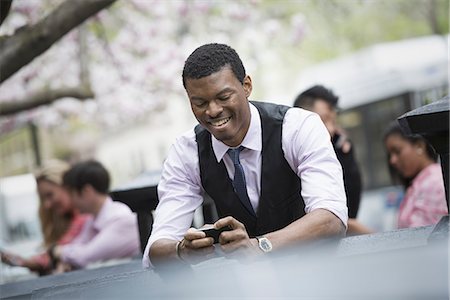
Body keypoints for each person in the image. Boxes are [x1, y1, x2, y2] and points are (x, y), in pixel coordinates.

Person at [143, 43, 348, 268]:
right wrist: (181, 251)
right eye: (199, 103)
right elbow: (157, 248)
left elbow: (331, 218)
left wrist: (260, 246)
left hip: (319, 272)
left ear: (247, 86)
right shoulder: (187, 150)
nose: (212, 111)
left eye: (223, 97)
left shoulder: (297, 127)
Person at [293, 85, 372, 235]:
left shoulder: (339, 149)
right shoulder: (289, 159)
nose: (330, 129)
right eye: (323, 120)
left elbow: (350, 211)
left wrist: (345, 157)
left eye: (333, 122)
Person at [0, 160, 88, 275]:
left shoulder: (87, 217)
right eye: (43, 198)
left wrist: (23, 261)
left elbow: (60, 251)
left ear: (67, 186)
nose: (47, 204)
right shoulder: (65, 220)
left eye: (50, 195)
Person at [49, 160, 140, 271]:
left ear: (87, 191)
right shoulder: (93, 219)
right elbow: (77, 246)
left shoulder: (121, 219)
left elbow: (86, 257)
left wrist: (58, 251)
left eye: (71, 194)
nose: (71, 201)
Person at [383, 121, 448, 228]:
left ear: (419, 146)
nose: (392, 160)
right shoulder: (423, 182)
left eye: (397, 151)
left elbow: (418, 239)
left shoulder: (433, 183)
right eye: (390, 154)